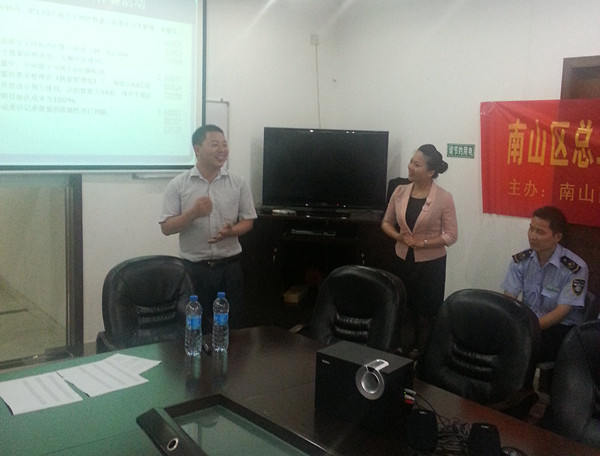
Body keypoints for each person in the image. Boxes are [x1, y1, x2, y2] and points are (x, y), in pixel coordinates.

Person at [160, 124, 257, 332]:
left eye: (224, 144)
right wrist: (193, 213)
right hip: (194, 270)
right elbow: (166, 227)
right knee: (196, 329)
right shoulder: (179, 184)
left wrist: (232, 232)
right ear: (197, 149)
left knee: (232, 328)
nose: (222, 150)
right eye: (215, 145)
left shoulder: (238, 183)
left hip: (230, 268)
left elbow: (248, 221)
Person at [381, 144, 458, 357]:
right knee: (404, 310)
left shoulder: (443, 197)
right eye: (411, 161)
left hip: (430, 265)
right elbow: (386, 223)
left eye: (417, 164)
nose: (410, 167)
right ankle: (403, 355)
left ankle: (424, 358)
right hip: (401, 259)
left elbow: (451, 235)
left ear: (430, 172)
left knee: (425, 315)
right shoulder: (399, 191)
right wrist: (399, 237)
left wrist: (422, 243)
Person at [502, 205, 588, 363]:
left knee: (517, 349)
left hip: (560, 328)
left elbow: (561, 312)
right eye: (531, 229)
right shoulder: (521, 261)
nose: (532, 236)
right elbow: (509, 300)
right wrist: (512, 324)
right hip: (528, 323)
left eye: (540, 232)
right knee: (493, 337)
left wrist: (527, 329)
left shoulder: (575, 268)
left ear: (557, 237)